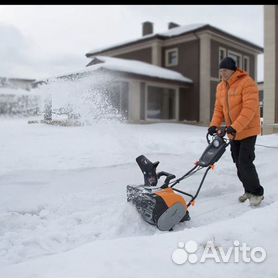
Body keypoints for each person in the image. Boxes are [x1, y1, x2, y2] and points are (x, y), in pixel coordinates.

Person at [208, 56, 264, 206]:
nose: (222, 74)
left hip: (247, 130)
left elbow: (250, 109)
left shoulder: (247, 82)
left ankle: (257, 193)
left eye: (225, 70)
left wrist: (235, 127)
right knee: (238, 163)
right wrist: (214, 125)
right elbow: (218, 109)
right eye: (220, 71)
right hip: (233, 132)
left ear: (233, 70)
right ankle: (248, 190)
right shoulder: (221, 87)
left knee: (245, 162)